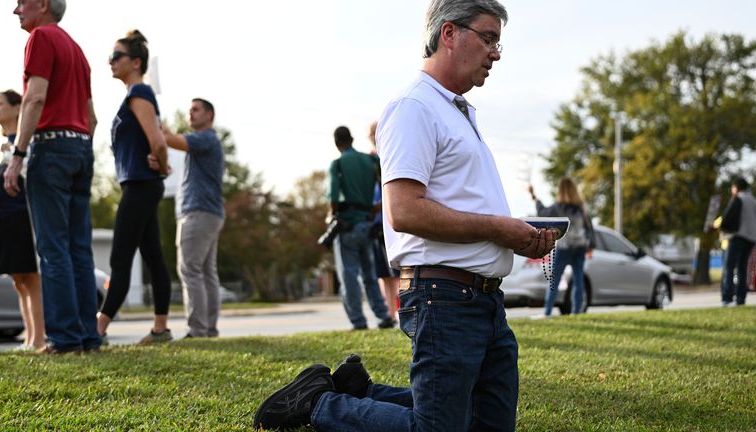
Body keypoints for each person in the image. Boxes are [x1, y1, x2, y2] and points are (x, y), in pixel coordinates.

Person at [253, 1, 555, 430]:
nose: (496, 52)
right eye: (488, 38)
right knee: (437, 427)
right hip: (444, 295)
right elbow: (404, 211)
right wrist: (498, 228)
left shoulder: (456, 110)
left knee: (485, 423)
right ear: (449, 34)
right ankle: (318, 404)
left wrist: (515, 233)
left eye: (498, 41)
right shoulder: (414, 106)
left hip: (485, 299)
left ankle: (360, 392)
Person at [5, 0, 101, 354]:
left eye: (20, 2)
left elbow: (34, 98)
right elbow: (91, 118)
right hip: (81, 148)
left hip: (51, 147)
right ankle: (87, 336)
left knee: (53, 248)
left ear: (42, 4)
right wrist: (80, 149)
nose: (16, 10)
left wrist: (18, 155)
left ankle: (63, 339)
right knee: (79, 248)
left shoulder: (41, 37)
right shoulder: (77, 49)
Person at [97, 30, 173, 344]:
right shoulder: (134, 93)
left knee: (120, 256)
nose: (110, 61)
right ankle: (160, 329)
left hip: (142, 184)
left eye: (117, 56)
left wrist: (163, 164)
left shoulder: (139, 92)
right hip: (140, 183)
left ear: (136, 61)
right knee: (153, 255)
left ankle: (98, 328)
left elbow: (157, 140)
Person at [158, 98, 225, 338]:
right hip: (209, 213)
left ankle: (197, 330)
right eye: (190, 110)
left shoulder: (205, 138)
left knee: (190, 270)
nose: (191, 113)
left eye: (196, 110)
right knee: (206, 272)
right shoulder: (205, 142)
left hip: (197, 212)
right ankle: (208, 329)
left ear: (209, 115)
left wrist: (159, 122)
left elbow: (171, 139)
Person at [0, 90, 45, 350]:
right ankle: (29, 337)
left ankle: (38, 337)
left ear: (16, 108)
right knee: (18, 280)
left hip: (21, 218)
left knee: (31, 278)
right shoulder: (2, 147)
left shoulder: (24, 143)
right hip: (2, 222)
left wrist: (14, 150)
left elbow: (29, 173)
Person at [327, 125, 394, 331]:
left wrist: (332, 215)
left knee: (349, 277)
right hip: (367, 223)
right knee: (370, 275)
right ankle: (383, 317)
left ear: (337, 143)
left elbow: (333, 196)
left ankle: (358, 321)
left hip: (347, 225)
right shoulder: (370, 161)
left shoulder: (337, 164)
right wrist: (374, 210)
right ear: (352, 139)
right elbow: (387, 186)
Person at [528, 178, 594, 316]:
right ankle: (576, 312)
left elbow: (543, 213)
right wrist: (590, 245)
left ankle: (547, 311)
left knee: (555, 279)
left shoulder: (559, 206)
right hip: (580, 245)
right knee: (578, 279)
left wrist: (534, 197)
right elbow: (589, 227)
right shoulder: (582, 206)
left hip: (564, 246)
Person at [368, 120, 400, 322]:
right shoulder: (369, 161)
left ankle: (397, 311)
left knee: (395, 273)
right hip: (376, 224)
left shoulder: (390, 156)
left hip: (390, 222)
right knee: (384, 275)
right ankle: (389, 312)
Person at [719, 177, 756, 306]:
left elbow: (727, 218)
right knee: (742, 268)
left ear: (736, 187)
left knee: (729, 267)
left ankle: (727, 297)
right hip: (751, 238)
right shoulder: (753, 200)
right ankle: (741, 298)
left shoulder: (738, 199)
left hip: (738, 236)